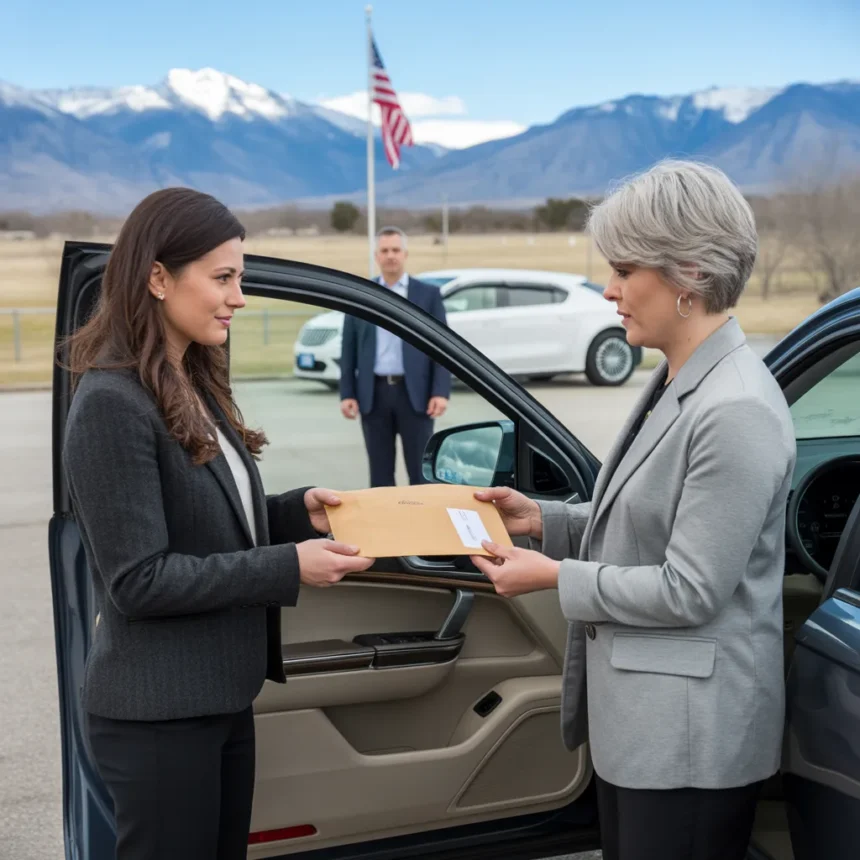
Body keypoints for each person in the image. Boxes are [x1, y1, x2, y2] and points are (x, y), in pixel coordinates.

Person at [469, 161, 796, 860]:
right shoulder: (683, 375)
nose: (609, 290)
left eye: (623, 270)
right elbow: (651, 516)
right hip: (650, 730)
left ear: (689, 273)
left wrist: (553, 577)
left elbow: (691, 588)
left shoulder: (735, 408)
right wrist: (546, 521)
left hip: (691, 746)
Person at [62, 187, 375, 860]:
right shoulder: (113, 403)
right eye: (224, 278)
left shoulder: (189, 379)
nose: (239, 297)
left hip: (217, 699)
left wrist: (296, 513)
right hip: (159, 718)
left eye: (240, 278)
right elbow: (140, 580)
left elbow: (209, 520)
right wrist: (288, 566)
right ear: (158, 278)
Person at [339, 227, 451, 487]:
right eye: (385, 250)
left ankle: (422, 514)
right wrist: (347, 393)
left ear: (405, 254)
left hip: (416, 396)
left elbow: (442, 347)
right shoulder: (361, 294)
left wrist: (440, 391)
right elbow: (349, 348)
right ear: (376, 256)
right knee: (380, 476)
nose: (391, 256)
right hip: (373, 395)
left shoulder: (427, 296)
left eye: (396, 250)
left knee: (421, 474)